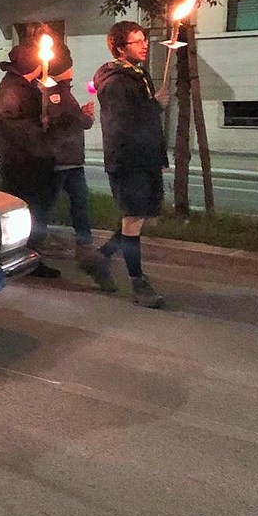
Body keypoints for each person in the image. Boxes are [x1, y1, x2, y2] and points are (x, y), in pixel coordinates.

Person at [83, 22, 168, 308]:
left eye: (144, 39)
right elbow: (122, 124)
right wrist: (154, 105)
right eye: (136, 41)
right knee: (133, 218)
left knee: (142, 215)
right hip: (128, 159)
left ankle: (100, 258)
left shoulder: (138, 73)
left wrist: (158, 155)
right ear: (120, 48)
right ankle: (137, 282)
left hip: (146, 156)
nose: (144, 44)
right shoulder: (115, 81)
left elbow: (145, 118)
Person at [0, 43, 59, 278]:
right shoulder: (13, 89)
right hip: (23, 163)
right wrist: (37, 127)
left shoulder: (28, 87)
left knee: (39, 210)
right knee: (31, 211)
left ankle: (32, 255)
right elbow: (7, 122)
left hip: (35, 159)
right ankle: (26, 258)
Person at [41, 45, 97, 267]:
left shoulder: (61, 91)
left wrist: (80, 114)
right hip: (60, 158)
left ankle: (84, 245)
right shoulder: (54, 92)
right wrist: (85, 116)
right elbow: (70, 120)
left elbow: (69, 118)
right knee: (48, 204)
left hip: (71, 159)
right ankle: (35, 242)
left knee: (80, 201)